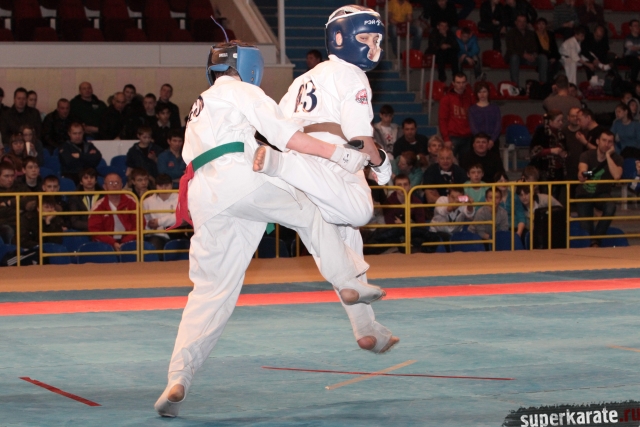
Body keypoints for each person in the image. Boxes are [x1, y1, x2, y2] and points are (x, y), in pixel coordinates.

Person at [156, 34, 395, 418]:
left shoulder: (200, 104)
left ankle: (178, 378)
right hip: (239, 177)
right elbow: (288, 136)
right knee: (314, 211)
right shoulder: (241, 90)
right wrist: (339, 155)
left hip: (205, 197)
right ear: (248, 66)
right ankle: (348, 283)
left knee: (211, 294)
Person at [252, 5, 398, 361]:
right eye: (365, 37)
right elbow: (360, 139)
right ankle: (281, 167)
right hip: (333, 157)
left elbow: (277, 126)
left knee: (344, 243)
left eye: (377, 40)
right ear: (340, 38)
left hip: (301, 154)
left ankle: (366, 328)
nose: (373, 47)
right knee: (360, 211)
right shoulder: (352, 75)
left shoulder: (301, 80)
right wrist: (382, 164)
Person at [576, 130, 623, 246]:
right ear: (597, 141)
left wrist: (608, 156)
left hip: (602, 193)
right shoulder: (586, 155)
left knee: (611, 206)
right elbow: (582, 173)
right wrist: (587, 174)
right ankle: (592, 244)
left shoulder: (617, 158)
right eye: (604, 140)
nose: (606, 144)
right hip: (584, 194)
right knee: (586, 228)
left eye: (610, 142)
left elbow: (617, 175)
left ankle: (596, 240)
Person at [88, 172, 138, 250]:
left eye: (117, 183)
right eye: (111, 183)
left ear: (121, 185)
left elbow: (139, 225)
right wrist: (112, 243)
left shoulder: (131, 202)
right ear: (104, 187)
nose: (114, 185)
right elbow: (95, 230)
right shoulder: (98, 206)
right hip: (106, 244)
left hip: (129, 241)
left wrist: (126, 242)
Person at [529, 110, 567, 201]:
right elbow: (533, 151)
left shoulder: (561, 134)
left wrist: (564, 153)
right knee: (544, 197)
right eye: (558, 120)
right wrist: (551, 151)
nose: (561, 123)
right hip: (544, 170)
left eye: (562, 120)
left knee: (556, 197)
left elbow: (567, 149)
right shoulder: (541, 132)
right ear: (550, 121)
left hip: (559, 171)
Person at [506, 15, 548, 87]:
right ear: (516, 22)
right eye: (520, 21)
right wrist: (523, 55)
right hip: (518, 57)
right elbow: (511, 48)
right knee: (514, 57)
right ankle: (515, 85)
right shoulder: (510, 33)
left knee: (543, 57)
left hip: (530, 57)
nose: (522, 23)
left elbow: (536, 47)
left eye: (524, 22)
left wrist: (534, 55)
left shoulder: (531, 33)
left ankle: (543, 85)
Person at [438, 73, 474, 156]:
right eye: (458, 82)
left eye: (463, 82)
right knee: (449, 161)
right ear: (453, 83)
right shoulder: (446, 99)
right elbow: (442, 120)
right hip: (452, 136)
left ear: (466, 83)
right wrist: (446, 138)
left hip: (468, 136)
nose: (461, 85)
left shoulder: (470, 97)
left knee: (466, 162)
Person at [142, 173, 177, 255]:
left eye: (167, 185)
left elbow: (181, 217)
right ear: (156, 186)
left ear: (172, 185)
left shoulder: (180, 198)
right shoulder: (147, 201)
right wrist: (149, 224)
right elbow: (144, 221)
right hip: (155, 235)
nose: (164, 188)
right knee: (153, 246)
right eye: (160, 185)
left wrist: (159, 222)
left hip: (176, 234)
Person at [0, 163, 29, 245]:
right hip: (4, 223)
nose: (10, 179)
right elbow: (1, 211)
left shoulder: (20, 187)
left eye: (12, 176)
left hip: (22, 221)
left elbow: (31, 199)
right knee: (8, 231)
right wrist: (20, 209)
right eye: (6, 176)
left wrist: (9, 203)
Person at [468, 82, 501, 153]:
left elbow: (498, 126)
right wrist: (482, 141)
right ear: (476, 94)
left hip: (493, 141)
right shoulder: (472, 109)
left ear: (488, 92)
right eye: (479, 92)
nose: (482, 94)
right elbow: (473, 127)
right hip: (478, 142)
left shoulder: (495, 108)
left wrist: (492, 140)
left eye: (484, 92)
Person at [67, 167, 102, 232]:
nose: (89, 180)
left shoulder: (103, 196)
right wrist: (92, 225)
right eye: (86, 178)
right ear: (81, 182)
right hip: (82, 231)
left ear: (96, 180)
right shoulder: (75, 198)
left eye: (92, 177)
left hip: (101, 230)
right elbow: (74, 221)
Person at [562, 107, 586, 199]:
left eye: (577, 116)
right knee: (568, 197)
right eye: (573, 116)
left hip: (585, 170)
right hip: (568, 171)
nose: (575, 118)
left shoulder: (586, 131)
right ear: (568, 117)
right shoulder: (563, 132)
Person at [494, 171, 526, 237]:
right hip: (498, 230)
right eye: (500, 181)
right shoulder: (490, 197)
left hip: (514, 228)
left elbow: (521, 216)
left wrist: (518, 233)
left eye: (506, 181)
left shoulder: (514, 196)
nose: (504, 183)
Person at [534, 18, 561, 83]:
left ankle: (549, 80)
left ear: (546, 25)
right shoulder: (533, 34)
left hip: (550, 56)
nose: (541, 26)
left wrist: (554, 57)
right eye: (539, 24)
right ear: (536, 25)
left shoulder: (550, 34)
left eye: (543, 24)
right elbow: (537, 49)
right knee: (545, 61)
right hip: (540, 56)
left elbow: (554, 47)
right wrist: (549, 57)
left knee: (558, 64)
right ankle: (546, 82)